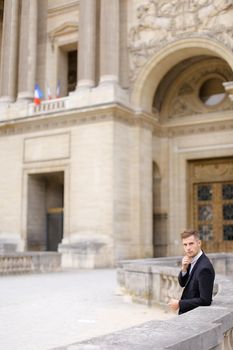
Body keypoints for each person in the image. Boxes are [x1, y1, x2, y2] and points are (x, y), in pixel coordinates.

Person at [168, 229, 215, 315]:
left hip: (195, 317)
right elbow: (183, 283)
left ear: (199, 243)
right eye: (185, 245)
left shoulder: (204, 268)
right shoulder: (192, 260)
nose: (188, 248)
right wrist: (184, 269)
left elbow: (205, 300)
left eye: (191, 243)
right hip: (189, 315)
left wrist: (180, 303)